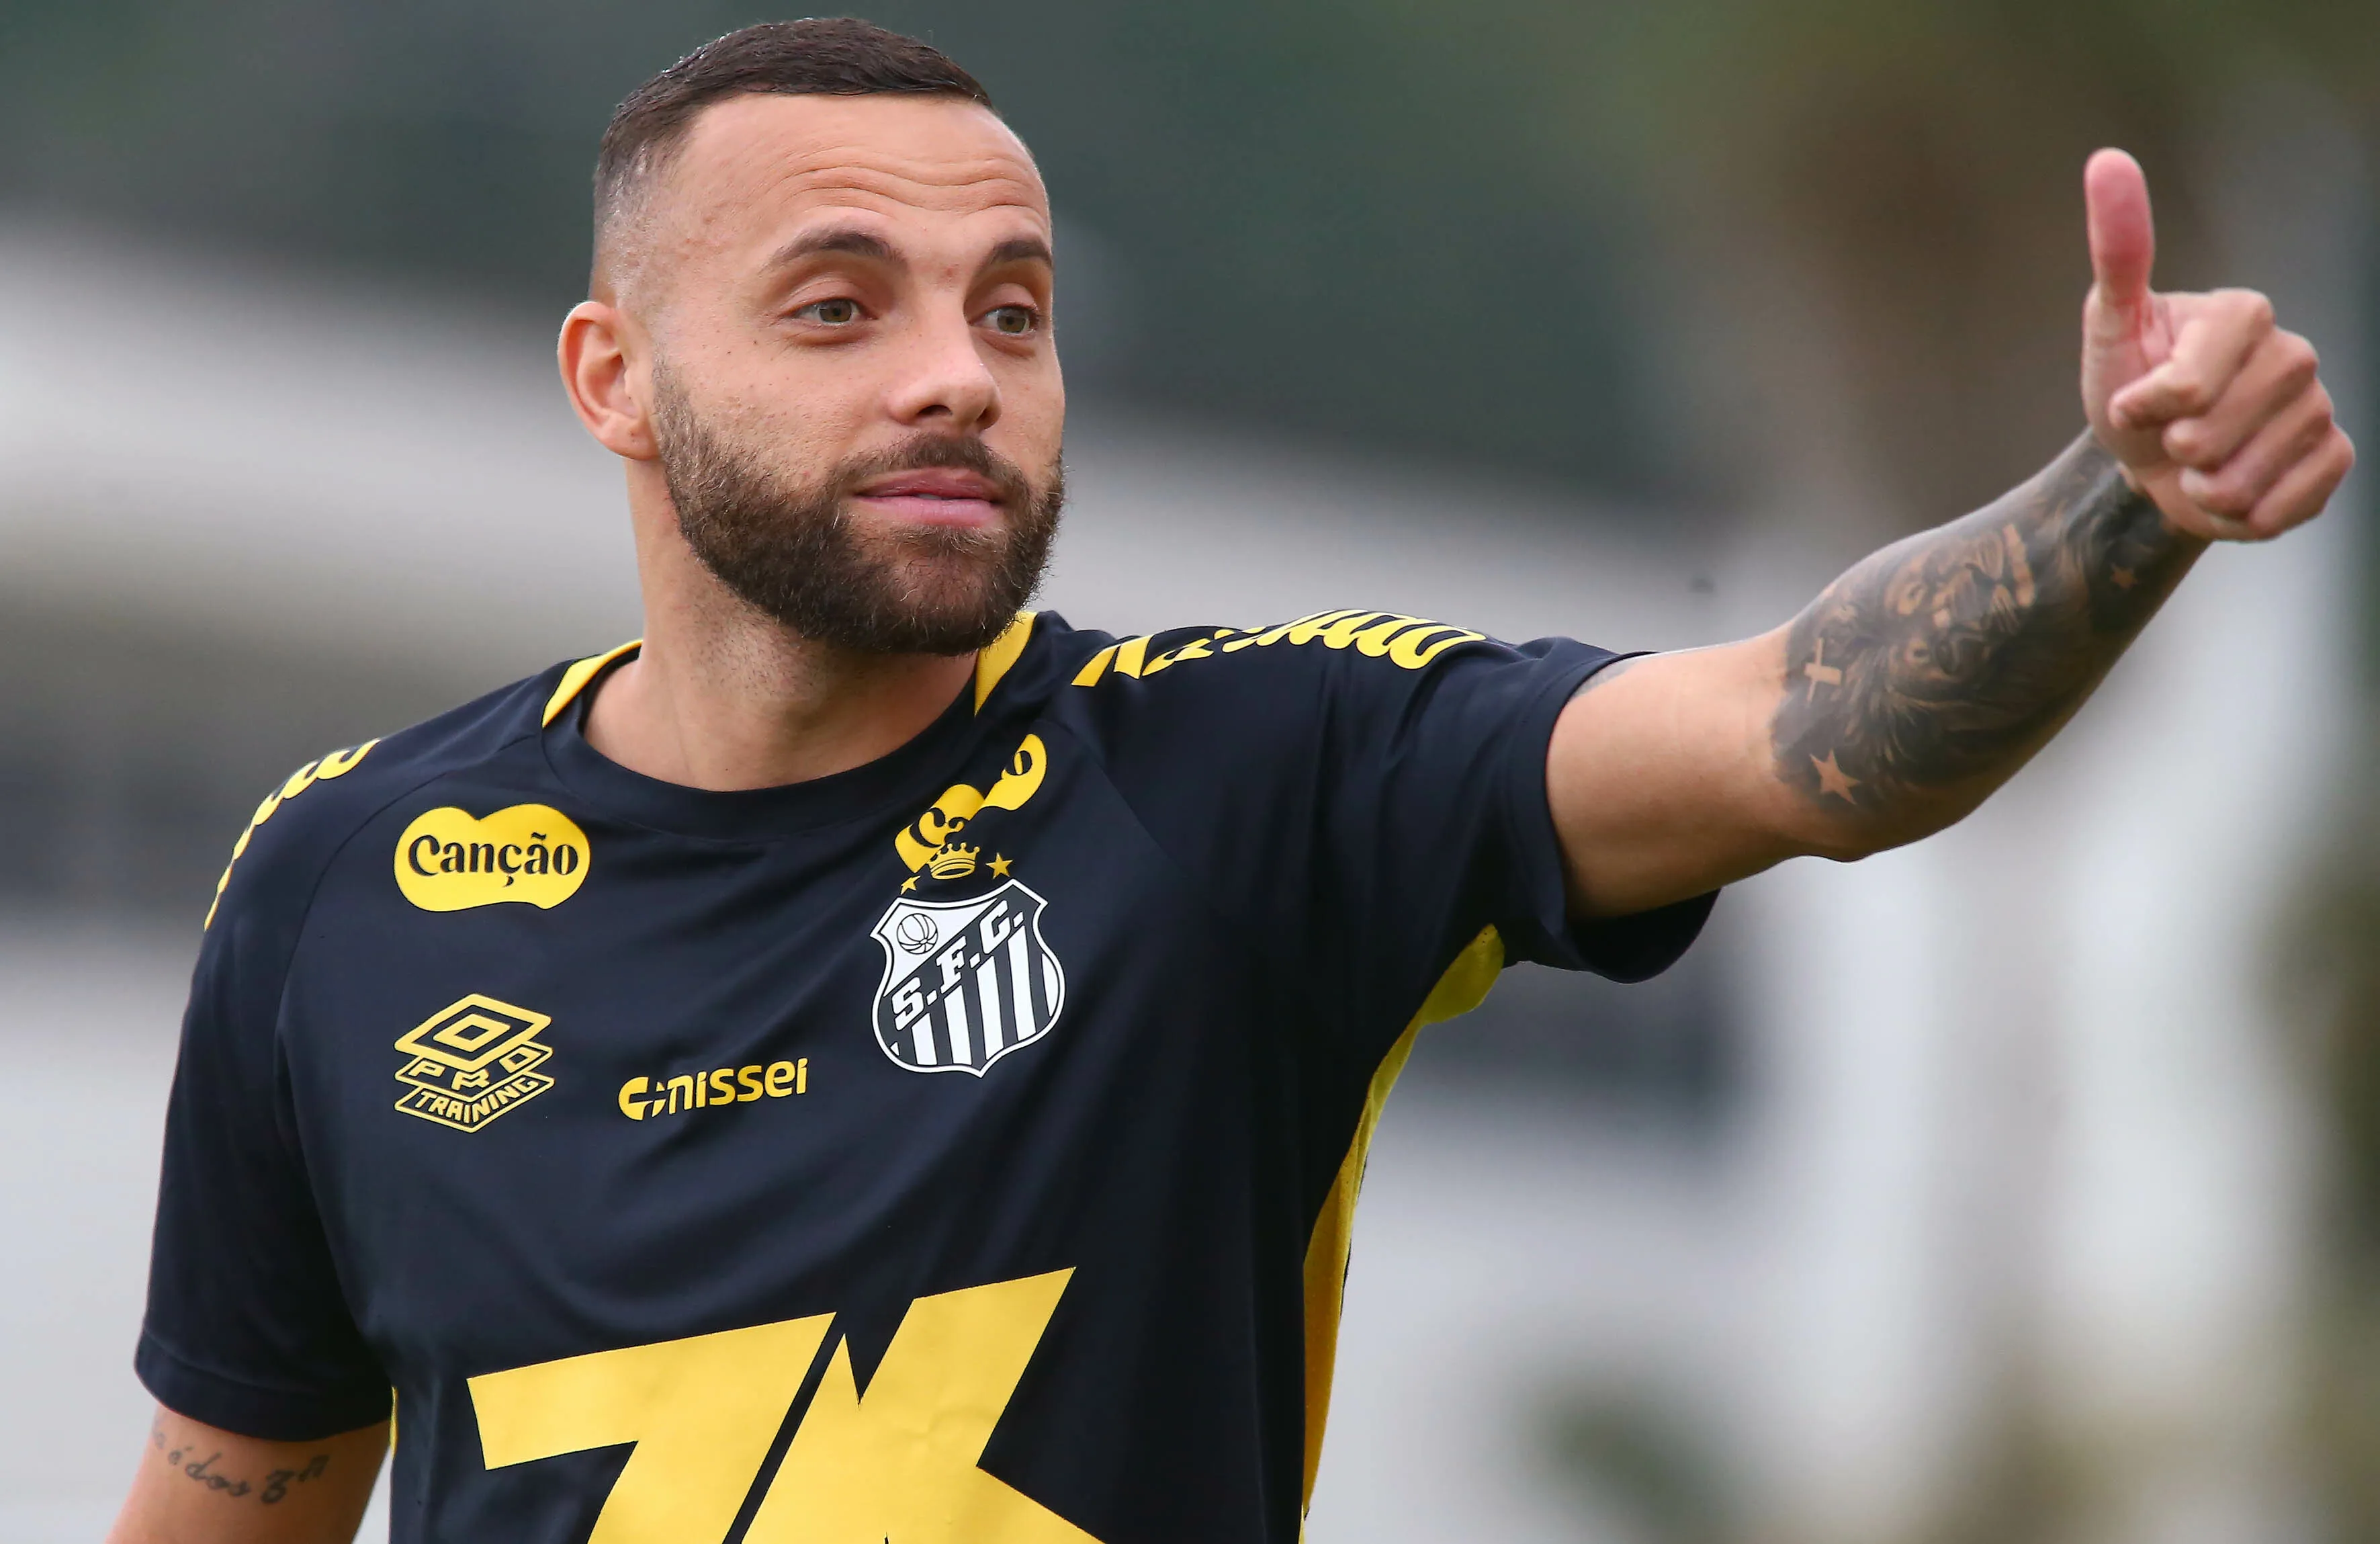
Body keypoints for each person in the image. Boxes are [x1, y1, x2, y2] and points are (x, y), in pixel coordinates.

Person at [105, 17, 2352, 1544]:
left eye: (1011, 309)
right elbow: (237, 1498)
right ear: (614, 376)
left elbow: (1804, 737)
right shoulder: (339, 886)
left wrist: (2119, 501)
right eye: (839, 306)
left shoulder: (1242, 773)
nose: (954, 376)